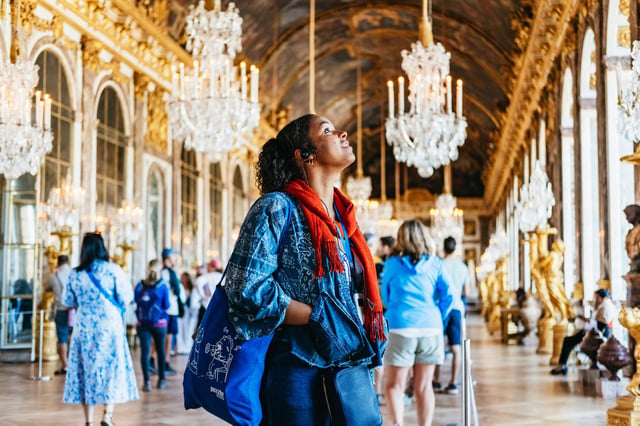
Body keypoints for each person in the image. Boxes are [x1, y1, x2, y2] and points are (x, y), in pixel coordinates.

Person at [223, 114, 386, 425]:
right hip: (297, 367)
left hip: (345, 363)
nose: (342, 132)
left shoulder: (341, 220)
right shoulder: (276, 207)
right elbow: (245, 287)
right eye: (327, 130)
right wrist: (315, 315)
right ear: (304, 154)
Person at [381, 219, 453, 426]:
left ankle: (398, 423)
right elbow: (449, 295)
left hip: (400, 326)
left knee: (395, 385)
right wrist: (437, 315)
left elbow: (385, 296)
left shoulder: (392, 263)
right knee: (424, 386)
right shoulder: (436, 263)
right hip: (430, 328)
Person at [62, 232, 138, 426]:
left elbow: (67, 301)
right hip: (109, 327)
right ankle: (107, 414)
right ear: (102, 248)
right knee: (110, 368)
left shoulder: (75, 273)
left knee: (85, 371)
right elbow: (126, 297)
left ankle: (88, 421)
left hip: (84, 327)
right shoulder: (113, 270)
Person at [550, 288, 618, 375]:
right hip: (590, 331)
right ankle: (562, 365)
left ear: (601, 297)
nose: (595, 299)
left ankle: (562, 365)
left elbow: (599, 324)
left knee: (567, 341)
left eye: (596, 297)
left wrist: (586, 322)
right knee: (568, 340)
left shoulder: (604, 307)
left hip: (594, 334)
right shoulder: (603, 306)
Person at [433, 236, 469, 395]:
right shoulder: (463, 267)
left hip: (440, 308)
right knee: (456, 348)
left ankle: (436, 380)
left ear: (443, 248)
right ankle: (453, 383)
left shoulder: (438, 264)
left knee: (438, 346)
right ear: (455, 249)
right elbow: (466, 292)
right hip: (456, 309)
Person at [135, 259, 170, 392]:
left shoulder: (140, 285)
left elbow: (136, 299)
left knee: (145, 352)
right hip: (159, 323)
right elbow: (166, 305)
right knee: (160, 351)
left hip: (142, 323)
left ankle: (147, 382)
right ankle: (161, 380)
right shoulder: (162, 286)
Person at [44, 254, 72, 376]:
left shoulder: (54, 276)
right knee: (75, 337)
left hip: (61, 309)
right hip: (74, 311)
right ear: (68, 262)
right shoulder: (73, 274)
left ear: (58, 263)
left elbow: (46, 288)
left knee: (62, 338)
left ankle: (65, 365)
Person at [158, 247, 184, 376]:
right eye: (174, 256)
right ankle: (165, 361)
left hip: (171, 308)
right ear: (168, 258)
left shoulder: (170, 272)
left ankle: (161, 361)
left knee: (168, 336)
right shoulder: (165, 273)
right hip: (168, 308)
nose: (175, 258)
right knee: (167, 337)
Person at [193, 258, 224, 327]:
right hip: (218, 307)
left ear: (213, 267)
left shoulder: (207, 276)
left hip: (205, 306)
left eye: (209, 266)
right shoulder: (223, 277)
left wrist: (202, 295)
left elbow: (198, 283)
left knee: (201, 329)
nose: (207, 268)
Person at [177, 271, 197, 354]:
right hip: (181, 310)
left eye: (185, 278)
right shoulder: (179, 287)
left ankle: (187, 346)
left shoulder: (192, 288)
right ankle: (180, 346)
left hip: (189, 311)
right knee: (180, 328)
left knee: (188, 328)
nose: (183, 279)